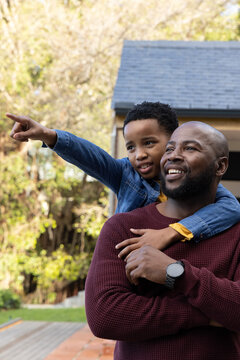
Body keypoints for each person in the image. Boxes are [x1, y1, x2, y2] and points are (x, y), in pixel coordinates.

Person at [85, 121, 240, 360]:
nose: (173, 156)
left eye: (190, 148)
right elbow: (105, 317)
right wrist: (207, 315)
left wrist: (175, 273)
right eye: (169, 149)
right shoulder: (123, 228)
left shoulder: (236, 233)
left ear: (220, 166)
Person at [7, 102, 240, 251]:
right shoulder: (126, 175)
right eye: (131, 147)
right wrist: (49, 135)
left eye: (149, 143)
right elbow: (91, 156)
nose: (139, 155)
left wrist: (172, 232)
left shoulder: (196, 183)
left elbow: (231, 207)